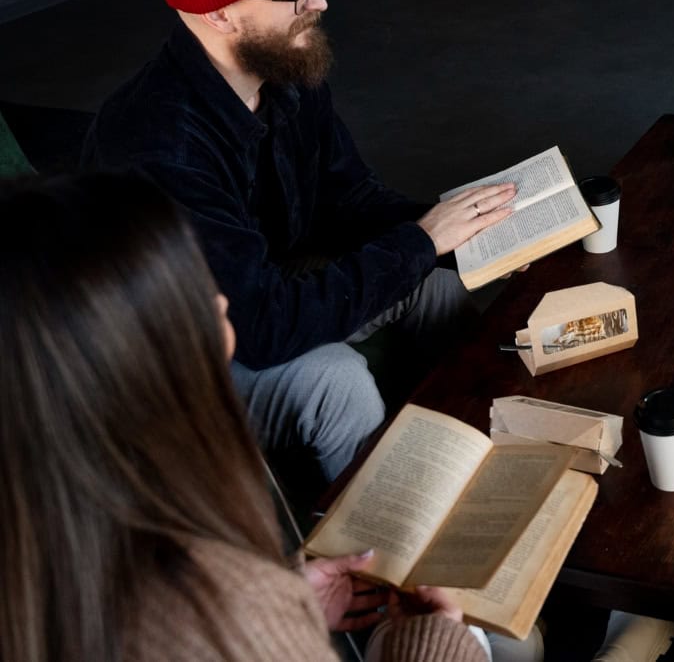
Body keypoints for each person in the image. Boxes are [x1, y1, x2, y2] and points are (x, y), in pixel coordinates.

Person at [84, 0, 517, 483]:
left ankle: (486, 455)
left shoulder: (284, 68)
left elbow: (351, 200)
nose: (319, 0)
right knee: (336, 384)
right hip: (173, 357)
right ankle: (382, 531)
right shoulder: (157, 144)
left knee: (436, 291)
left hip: (266, 289)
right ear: (219, 13)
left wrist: (468, 230)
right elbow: (261, 327)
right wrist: (422, 241)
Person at [0, 171, 488, 662]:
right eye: (186, 288)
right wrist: (435, 642)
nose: (219, 300)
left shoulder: (52, 565)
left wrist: (285, 603)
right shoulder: (214, 595)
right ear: (134, 354)